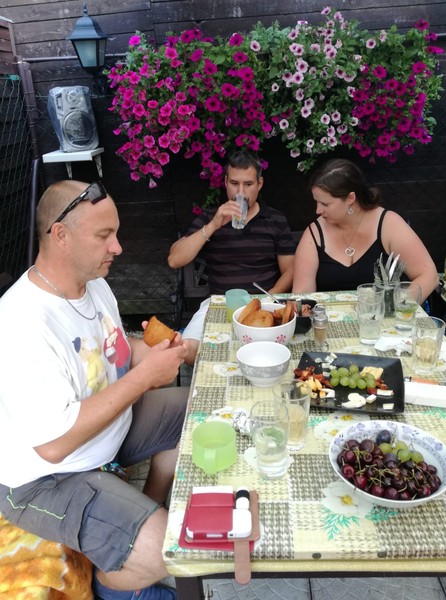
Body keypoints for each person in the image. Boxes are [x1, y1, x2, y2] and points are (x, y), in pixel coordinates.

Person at [0, 180, 189, 600]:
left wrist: (161, 353)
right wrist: (145, 377)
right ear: (60, 235)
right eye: (104, 235)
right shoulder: (20, 322)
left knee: (199, 410)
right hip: (46, 479)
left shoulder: (94, 284)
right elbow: (54, 444)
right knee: (167, 549)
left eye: (115, 233)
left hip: (107, 435)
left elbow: (118, 350)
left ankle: (147, 502)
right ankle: (111, 586)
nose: (117, 247)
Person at [168, 149, 296, 364]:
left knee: (269, 355)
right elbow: (174, 259)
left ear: (260, 184)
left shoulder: (275, 220)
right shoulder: (212, 217)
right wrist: (213, 225)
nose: (241, 192)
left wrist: (266, 299)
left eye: (248, 184)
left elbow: (290, 270)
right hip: (219, 304)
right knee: (186, 352)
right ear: (226, 182)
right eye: (235, 183)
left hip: (263, 304)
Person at [292, 158, 439, 299]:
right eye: (317, 202)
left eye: (325, 204)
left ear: (350, 198)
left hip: (383, 314)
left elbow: (429, 275)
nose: (318, 210)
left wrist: (398, 307)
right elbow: (301, 294)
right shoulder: (315, 233)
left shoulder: (388, 224)